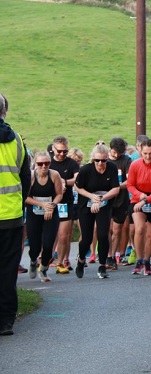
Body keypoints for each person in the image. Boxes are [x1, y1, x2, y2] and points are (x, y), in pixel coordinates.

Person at [0, 92, 30, 335]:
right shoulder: (18, 140)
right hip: (11, 217)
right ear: (4, 112)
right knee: (8, 270)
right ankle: (6, 321)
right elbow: (26, 178)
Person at [74, 144, 120, 279]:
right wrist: (91, 197)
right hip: (86, 205)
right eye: (97, 160)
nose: (101, 163)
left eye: (104, 160)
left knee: (103, 234)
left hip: (104, 204)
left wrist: (101, 199)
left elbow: (116, 189)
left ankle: (102, 265)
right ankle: (81, 259)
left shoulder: (111, 168)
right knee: (86, 238)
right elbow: (78, 187)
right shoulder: (85, 170)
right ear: (93, 159)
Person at [127, 139, 151, 277]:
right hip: (138, 198)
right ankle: (139, 259)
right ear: (140, 152)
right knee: (140, 228)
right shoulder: (134, 165)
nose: (148, 157)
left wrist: (145, 200)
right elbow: (130, 185)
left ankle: (147, 260)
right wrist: (140, 195)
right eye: (145, 153)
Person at [24, 152, 63, 282]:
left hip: (50, 213)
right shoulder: (31, 176)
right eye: (40, 164)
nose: (44, 166)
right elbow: (25, 197)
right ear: (35, 164)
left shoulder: (54, 175)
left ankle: (44, 269)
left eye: (47, 163)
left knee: (48, 244)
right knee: (34, 246)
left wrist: (51, 205)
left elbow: (59, 194)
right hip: (34, 213)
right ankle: (33, 260)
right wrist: (42, 204)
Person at [50, 136, 80, 274]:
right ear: (53, 149)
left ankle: (61, 262)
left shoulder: (72, 163)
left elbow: (77, 179)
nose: (62, 154)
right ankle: (44, 258)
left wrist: (63, 182)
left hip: (65, 203)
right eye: (59, 151)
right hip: (49, 202)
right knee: (49, 234)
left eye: (65, 151)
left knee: (63, 235)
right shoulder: (47, 162)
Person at [107, 137, 132, 268]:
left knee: (117, 230)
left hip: (121, 200)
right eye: (114, 152)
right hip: (106, 199)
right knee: (107, 228)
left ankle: (112, 256)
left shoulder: (126, 160)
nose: (116, 155)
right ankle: (107, 254)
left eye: (119, 153)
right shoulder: (104, 160)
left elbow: (130, 180)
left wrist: (117, 187)